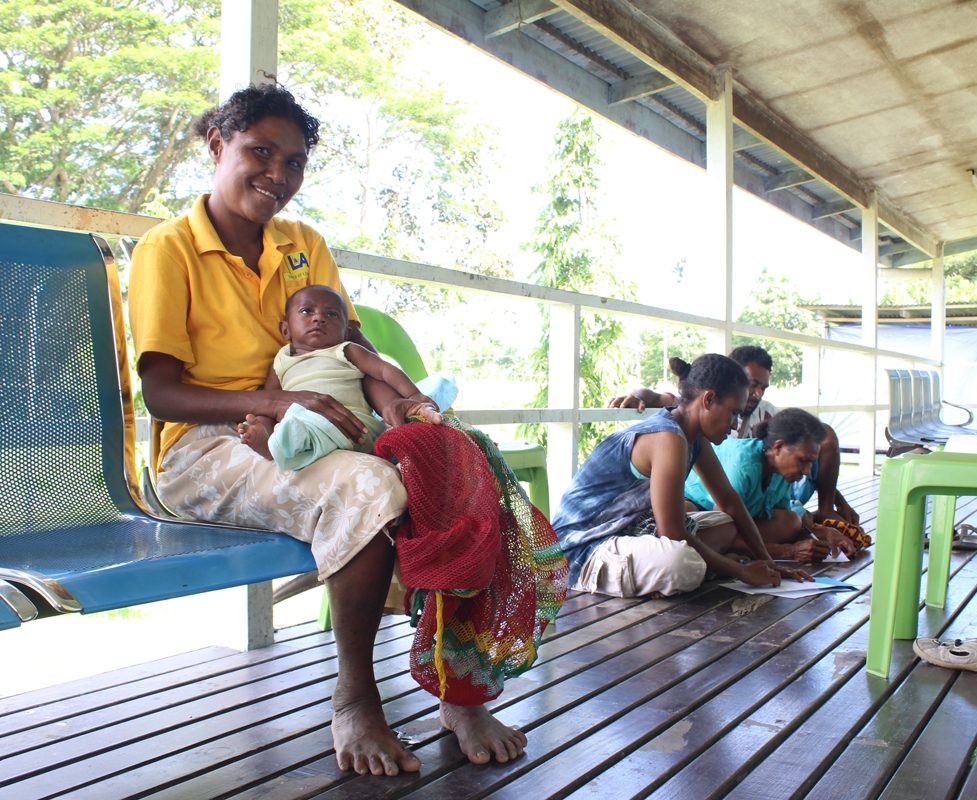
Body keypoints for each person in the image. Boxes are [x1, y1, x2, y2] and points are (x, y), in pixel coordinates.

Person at [128, 85, 525, 777]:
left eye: (294, 162)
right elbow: (161, 394)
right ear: (218, 144)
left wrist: (397, 405)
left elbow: (355, 346)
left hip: (320, 431)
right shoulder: (169, 250)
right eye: (259, 152)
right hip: (203, 450)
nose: (277, 176)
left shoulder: (302, 244)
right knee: (366, 485)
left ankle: (459, 686)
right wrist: (281, 404)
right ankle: (355, 698)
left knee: (452, 461)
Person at [552, 354, 812, 598]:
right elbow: (673, 532)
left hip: (630, 530)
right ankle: (665, 573)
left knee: (726, 525)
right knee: (681, 562)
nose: (735, 424)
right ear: (708, 400)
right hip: (582, 549)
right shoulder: (668, 438)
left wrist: (767, 563)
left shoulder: (693, 437)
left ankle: (657, 573)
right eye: (733, 413)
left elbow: (730, 501)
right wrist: (742, 572)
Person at [609, 344, 860, 525]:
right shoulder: (692, 417)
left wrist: (836, 499)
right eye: (752, 384)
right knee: (692, 517)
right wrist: (639, 396)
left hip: (762, 492)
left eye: (763, 387)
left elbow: (795, 456)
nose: (757, 394)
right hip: (716, 495)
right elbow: (663, 398)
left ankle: (823, 511)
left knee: (824, 436)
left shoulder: (766, 412)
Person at [238, 283, 439, 467]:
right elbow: (270, 400)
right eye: (307, 311)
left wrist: (413, 395)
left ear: (346, 330)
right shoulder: (281, 360)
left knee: (296, 424)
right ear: (286, 329)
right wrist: (262, 428)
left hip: (355, 424)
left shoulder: (346, 350)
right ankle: (273, 444)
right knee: (293, 419)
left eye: (332, 314)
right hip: (306, 421)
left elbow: (385, 370)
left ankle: (281, 448)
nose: (319, 318)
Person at [684, 408, 858, 562]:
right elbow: (722, 529)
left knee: (791, 521)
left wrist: (826, 534)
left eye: (811, 463)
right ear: (778, 447)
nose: (807, 471)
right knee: (699, 519)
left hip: (735, 523)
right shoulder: (743, 464)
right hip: (703, 515)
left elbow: (779, 519)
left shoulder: (781, 472)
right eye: (803, 461)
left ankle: (736, 551)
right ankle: (730, 552)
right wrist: (789, 551)